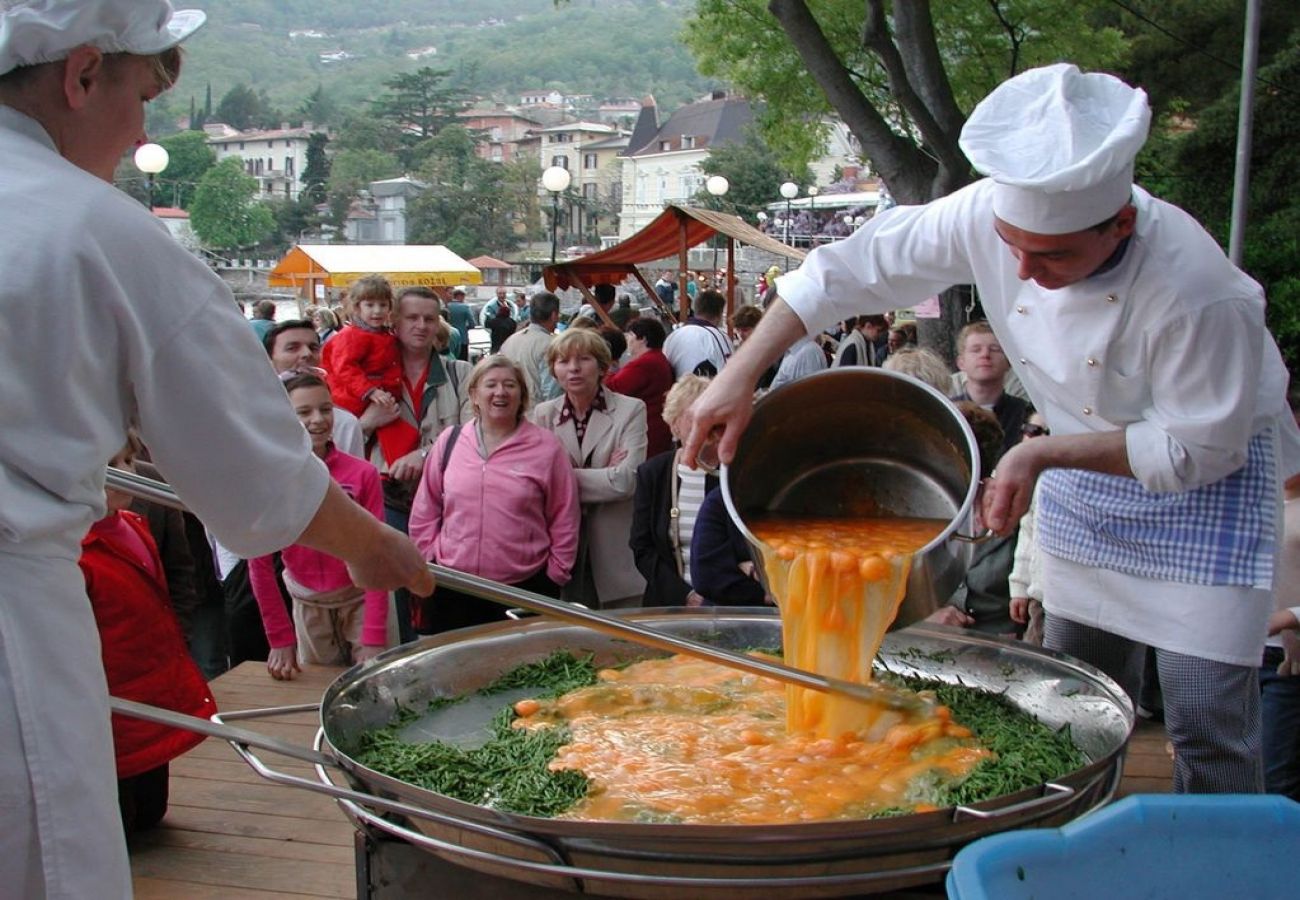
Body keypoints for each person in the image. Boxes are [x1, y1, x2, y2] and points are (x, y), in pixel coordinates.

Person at [684, 63, 1299, 794]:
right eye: (1012, 246)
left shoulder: (1199, 292)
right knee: (1072, 705)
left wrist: (1041, 453)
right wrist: (741, 372)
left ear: (1122, 223)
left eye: (1054, 255)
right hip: (1078, 470)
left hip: (1205, 490)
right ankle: (1058, 852)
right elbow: (842, 273)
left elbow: (1195, 447)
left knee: (1208, 725)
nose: (1025, 271)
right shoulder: (984, 216)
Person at [0, 4, 433, 895]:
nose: (143, 130)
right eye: (145, 94)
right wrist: (377, 547)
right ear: (82, 76)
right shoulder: (94, 228)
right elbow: (255, 473)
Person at [85, 438, 215, 834]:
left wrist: (178, 641)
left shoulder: (136, 524)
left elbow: (177, 579)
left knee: (151, 812)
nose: (129, 472)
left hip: (153, 682)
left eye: (128, 460)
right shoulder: (75, 551)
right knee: (117, 817)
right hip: (111, 699)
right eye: (112, 464)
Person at [409, 356, 580, 632]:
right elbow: (425, 509)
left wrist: (556, 574)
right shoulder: (449, 441)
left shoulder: (546, 448)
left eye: (509, 385)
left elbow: (565, 515)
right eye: (491, 385)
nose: (500, 392)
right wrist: (428, 560)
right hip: (452, 585)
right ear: (474, 395)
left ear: (521, 395)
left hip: (523, 588)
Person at [250, 374, 390, 680]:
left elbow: (377, 553)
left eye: (326, 409)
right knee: (319, 691)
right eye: (303, 412)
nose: (318, 420)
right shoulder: (269, 479)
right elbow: (259, 565)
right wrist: (280, 638)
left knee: (378, 688)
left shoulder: (362, 473)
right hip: (308, 604)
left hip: (361, 599)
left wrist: (373, 634)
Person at [370, 287, 471, 642]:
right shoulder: (370, 379)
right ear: (394, 322)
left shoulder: (460, 374)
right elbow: (340, 436)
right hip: (388, 499)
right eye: (412, 317)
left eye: (429, 318)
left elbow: (475, 435)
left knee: (442, 590)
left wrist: (425, 453)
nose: (421, 326)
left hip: (447, 503)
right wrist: (369, 420)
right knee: (394, 591)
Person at [532, 329, 648, 609]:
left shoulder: (631, 409)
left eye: (583, 359)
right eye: (563, 361)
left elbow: (626, 482)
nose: (573, 368)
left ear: (602, 367)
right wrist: (605, 474)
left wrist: (560, 478)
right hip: (559, 548)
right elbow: (535, 484)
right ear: (554, 369)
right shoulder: (543, 414)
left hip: (615, 549)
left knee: (623, 642)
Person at [629, 376, 718, 607]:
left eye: (711, 414)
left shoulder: (734, 474)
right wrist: (686, 596)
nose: (704, 422)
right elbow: (642, 547)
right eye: (694, 415)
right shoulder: (653, 473)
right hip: (669, 603)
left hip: (728, 604)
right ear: (674, 424)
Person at [950, 321, 1029, 459]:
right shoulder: (949, 412)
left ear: (1009, 361)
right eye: (976, 349)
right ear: (961, 362)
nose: (985, 355)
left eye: (995, 349)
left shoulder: (1025, 415)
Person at [1009, 411, 1052, 645]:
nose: (1036, 438)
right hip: (1037, 596)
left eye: (1047, 433)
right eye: (1031, 430)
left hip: (1057, 598)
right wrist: (1019, 586)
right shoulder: (1032, 481)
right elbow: (1027, 535)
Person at [605, 316, 675, 457]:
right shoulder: (657, 358)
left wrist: (605, 370)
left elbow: (613, 387)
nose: (628, 340)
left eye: (630, 335)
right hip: (656, 428)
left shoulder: (645, 363)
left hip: (647, 429)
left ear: (642, 338)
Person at [500, 289, 563, 403]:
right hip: (537, 413)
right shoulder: (552, 344)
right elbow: (552, 391)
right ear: (554, 315)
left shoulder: (510, 341)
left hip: (510, 410)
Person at [662, 288, 734, 378]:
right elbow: (728, 375)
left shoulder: (673, 336)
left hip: (677, 390)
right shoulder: (719, 337)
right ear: (720, 312)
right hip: (706, 390)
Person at [446, 287, 475, 361]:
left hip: (448, 337)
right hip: (463, 338)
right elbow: (472, 323)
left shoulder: (447, 306)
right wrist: (465, 328)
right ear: (460, 296)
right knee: (462, 362)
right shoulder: (465, 307)